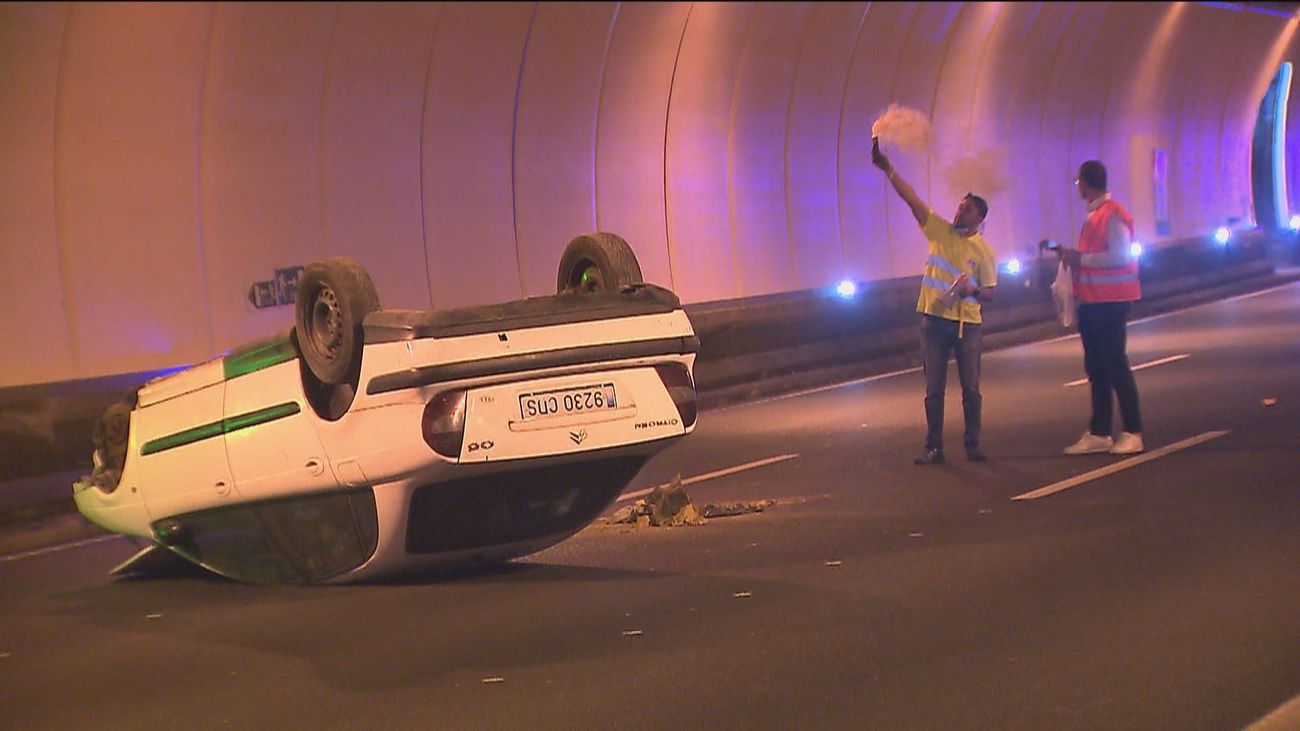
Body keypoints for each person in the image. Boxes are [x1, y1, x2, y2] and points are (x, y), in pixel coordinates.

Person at [871, 138, 998, 465]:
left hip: (967, 324)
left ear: (979, 217)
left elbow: (991, 292)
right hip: (933, 320)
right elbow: (911, 199)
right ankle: (934, 446)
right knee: (934, 390)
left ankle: (973, 443)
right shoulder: (939, 231)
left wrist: (972, 292)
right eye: (960, 205)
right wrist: (889, 170)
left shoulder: (984, 251)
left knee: (971, 388)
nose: (959, 210)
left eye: (967, 208)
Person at [1058, 160, 1145, 455]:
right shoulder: (1095, 216)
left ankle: (1133, 431)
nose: (1078, 188)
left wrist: (1080, 258)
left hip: (1112, 302)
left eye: (1078, 182)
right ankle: (1100, 431)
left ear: (1087, 183)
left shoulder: (1113, 215)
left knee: (1116, 364)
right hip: (1093, 302)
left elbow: (1119, 256)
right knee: (1096, 368)